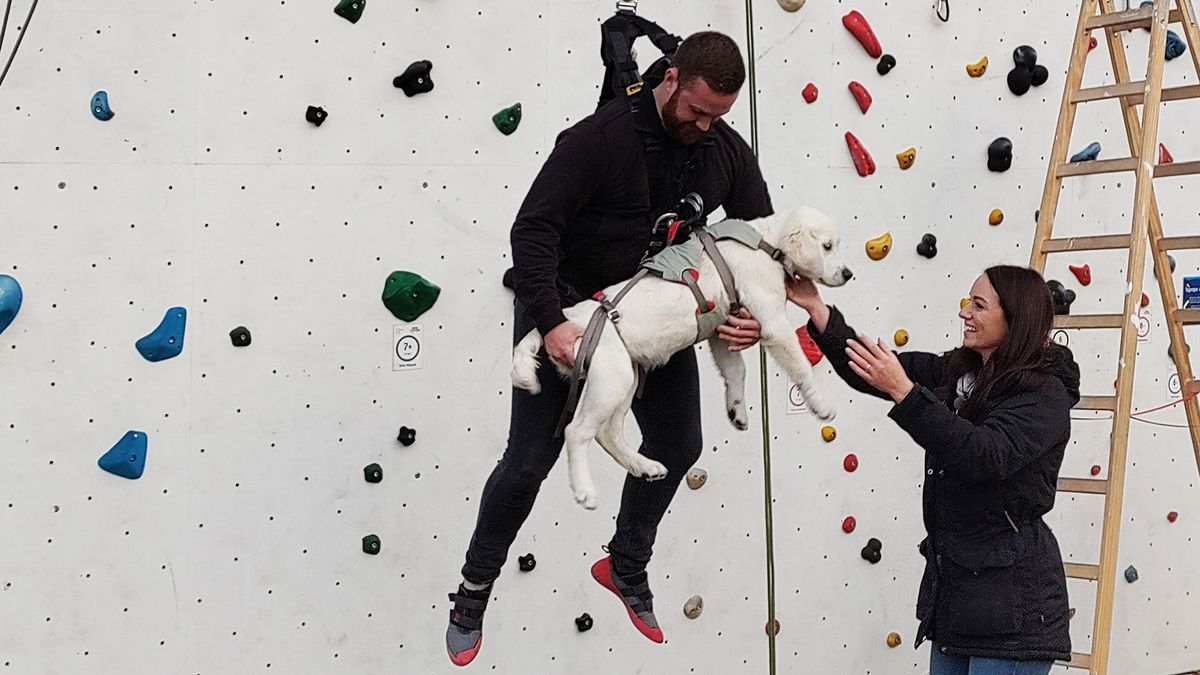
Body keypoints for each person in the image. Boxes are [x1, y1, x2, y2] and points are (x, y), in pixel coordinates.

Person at [445, 31, 774, 666]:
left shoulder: (724, 149)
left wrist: (750, 317)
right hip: (565, 309)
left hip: (654, 315)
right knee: (527, 462)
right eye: (697, 111)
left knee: (679, 446)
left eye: (719, 117)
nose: (705, 126)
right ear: (671, 78)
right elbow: (533, 229)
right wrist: (551, 322)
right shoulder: (597, 140)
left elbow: (756, 242)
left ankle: (625, 564)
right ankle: (473, 590)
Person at [786, 265, 1079, 675]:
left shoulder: (1045, 395)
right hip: (957, 600)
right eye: (967, 302)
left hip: (1014, 613)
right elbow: (871, 369)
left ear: (1015, 319)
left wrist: (904, 392)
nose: (965, 313)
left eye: (978, 305)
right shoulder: (959, 371)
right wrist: (817, 308)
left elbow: (985, 455)